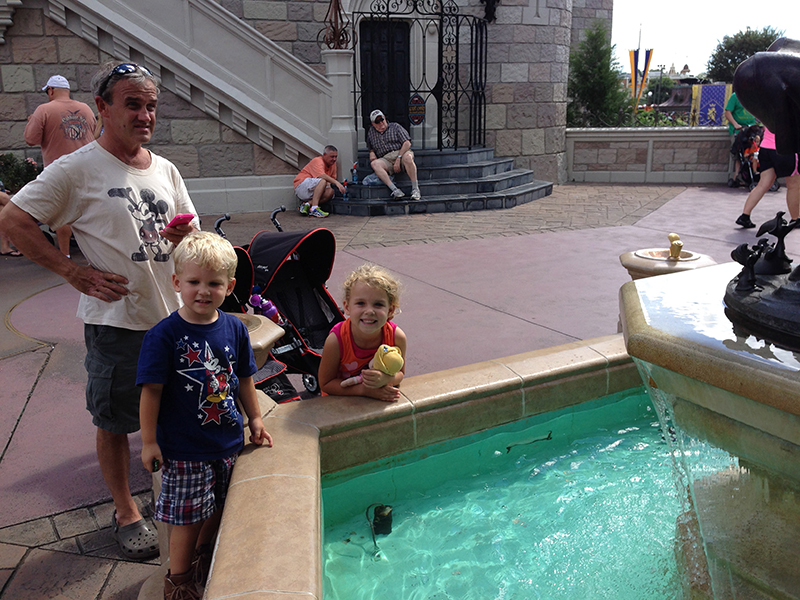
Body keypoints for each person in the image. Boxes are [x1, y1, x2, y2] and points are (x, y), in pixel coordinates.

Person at [0, 61, 198, 560]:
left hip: (173, 320)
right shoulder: (76, 168)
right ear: (102, 109)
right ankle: (126, 511)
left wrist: (183, 237)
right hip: (117, 323)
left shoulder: (165, 168)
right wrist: (73, 272)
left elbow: (190, 234)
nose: (145, 115)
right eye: (132, 104)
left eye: (151, 105)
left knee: (174, 413)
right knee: (114, 421)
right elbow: (14, 219)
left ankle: (172, 494)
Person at [138, 231, 273, 599]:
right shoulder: (164, 336)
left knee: (218, 505)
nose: (203, 291)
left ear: (229, 286)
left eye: (213, 283)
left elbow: (244, 379)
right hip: (184, 449)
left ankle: (203, 558)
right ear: (176, 282)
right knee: (186, 519)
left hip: (226, 441)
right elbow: (150, 391)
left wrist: (255, 419)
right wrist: (149, 441)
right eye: (193, 282)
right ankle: (179, 581)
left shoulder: (234, 328)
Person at [24, 74, 97, 258]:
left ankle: (65, 255)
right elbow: (94, 134)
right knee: (88, 212)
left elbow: (30, 139)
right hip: (87, 167)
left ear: (51, 90)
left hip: (59, 170)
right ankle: (95, 253)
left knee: (62, 212)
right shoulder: (86, 108)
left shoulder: (44, 109)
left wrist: (32, 121)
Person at [319, 264, 407, 401]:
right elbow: (326, 384)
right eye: (360, 303)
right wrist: (364, 390)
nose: (369, 311)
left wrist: (387, 379)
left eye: (378, 304)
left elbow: (400, 372)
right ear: (347, 307)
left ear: (390, 310)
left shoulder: (396, 337)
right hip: (340, 402)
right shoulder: (336, 340)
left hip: (377, 399)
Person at [735, 126, 800, 228]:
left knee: (763, 184)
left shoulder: (771, 113)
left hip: (766, 148)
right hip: (786, 148)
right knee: (794, 186)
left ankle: (745, 216)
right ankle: (795, 219)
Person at [366, 110, 421, 201]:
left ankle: (415, 189)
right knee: (375, 164)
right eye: (377, 121)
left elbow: (407, 143)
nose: (381, 123)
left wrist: (399, 158)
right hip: (386, 158)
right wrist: (371, 152)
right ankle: (395, 190)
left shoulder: (395, 127)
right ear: (373, 124)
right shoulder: (371, 132)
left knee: (408, 158)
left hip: (401, 152)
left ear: (384, 118)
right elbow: (370, 146)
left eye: (382, 119)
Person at [293, 145, 344, 218]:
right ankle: (314, 208)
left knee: (330, 192)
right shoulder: (317, 160)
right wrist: (337, 183)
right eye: (332, 156)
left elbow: (329, 180)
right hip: (301, 186)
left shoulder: (333, 165)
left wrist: (329, 187)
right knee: (322, 181)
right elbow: (321, 176)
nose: (334, 159)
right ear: (324, 155)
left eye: (336, 157)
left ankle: (306, 205)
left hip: (314, 190)